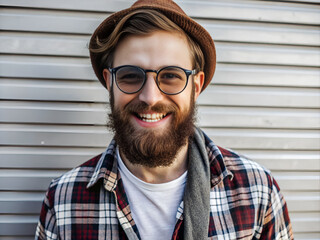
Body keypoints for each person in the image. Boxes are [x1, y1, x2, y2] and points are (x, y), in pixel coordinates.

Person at [35, 0, 293, 239]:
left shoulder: (257, 192)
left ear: (196, 86)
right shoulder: (63, 200)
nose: (150, 97)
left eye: (170, 75)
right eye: (130, 75)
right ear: (109, 82)